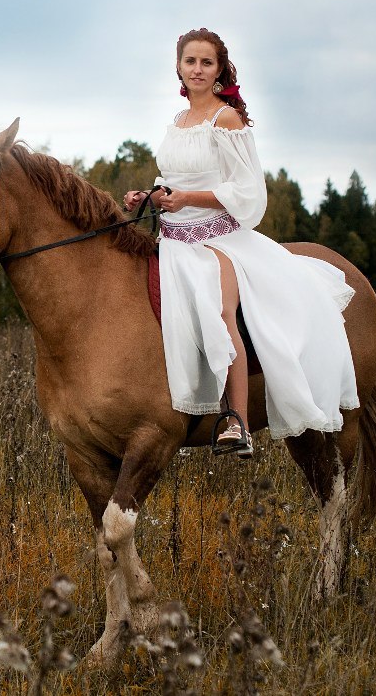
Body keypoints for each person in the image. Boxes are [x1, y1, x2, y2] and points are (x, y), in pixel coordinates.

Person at [123, 28, 359, 458]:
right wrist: (150, 195)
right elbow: (175, 181)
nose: (197, 69)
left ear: (219, 70)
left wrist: (188, 199)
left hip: (221, 239)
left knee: (218, 308)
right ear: (178, 67)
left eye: (206, 62)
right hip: (173, 240)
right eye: (190, 61)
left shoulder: (226, 119)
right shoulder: (177, 123)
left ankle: (237, 421)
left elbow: (249, 192)